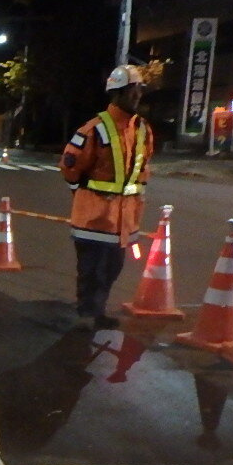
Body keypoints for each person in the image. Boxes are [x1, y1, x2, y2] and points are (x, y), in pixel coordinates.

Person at [60, 64, 154, 330]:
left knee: (112, 269)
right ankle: (88, 314)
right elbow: (70, 166)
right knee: (91, 271)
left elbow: (143, 167)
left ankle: (97, 311)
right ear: (118, 93)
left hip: (123, 222)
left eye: (139, 90)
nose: (138, 95)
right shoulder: (95, 129)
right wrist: (82, 192)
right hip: (93, 220)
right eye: (134, 90)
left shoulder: (143, 129)